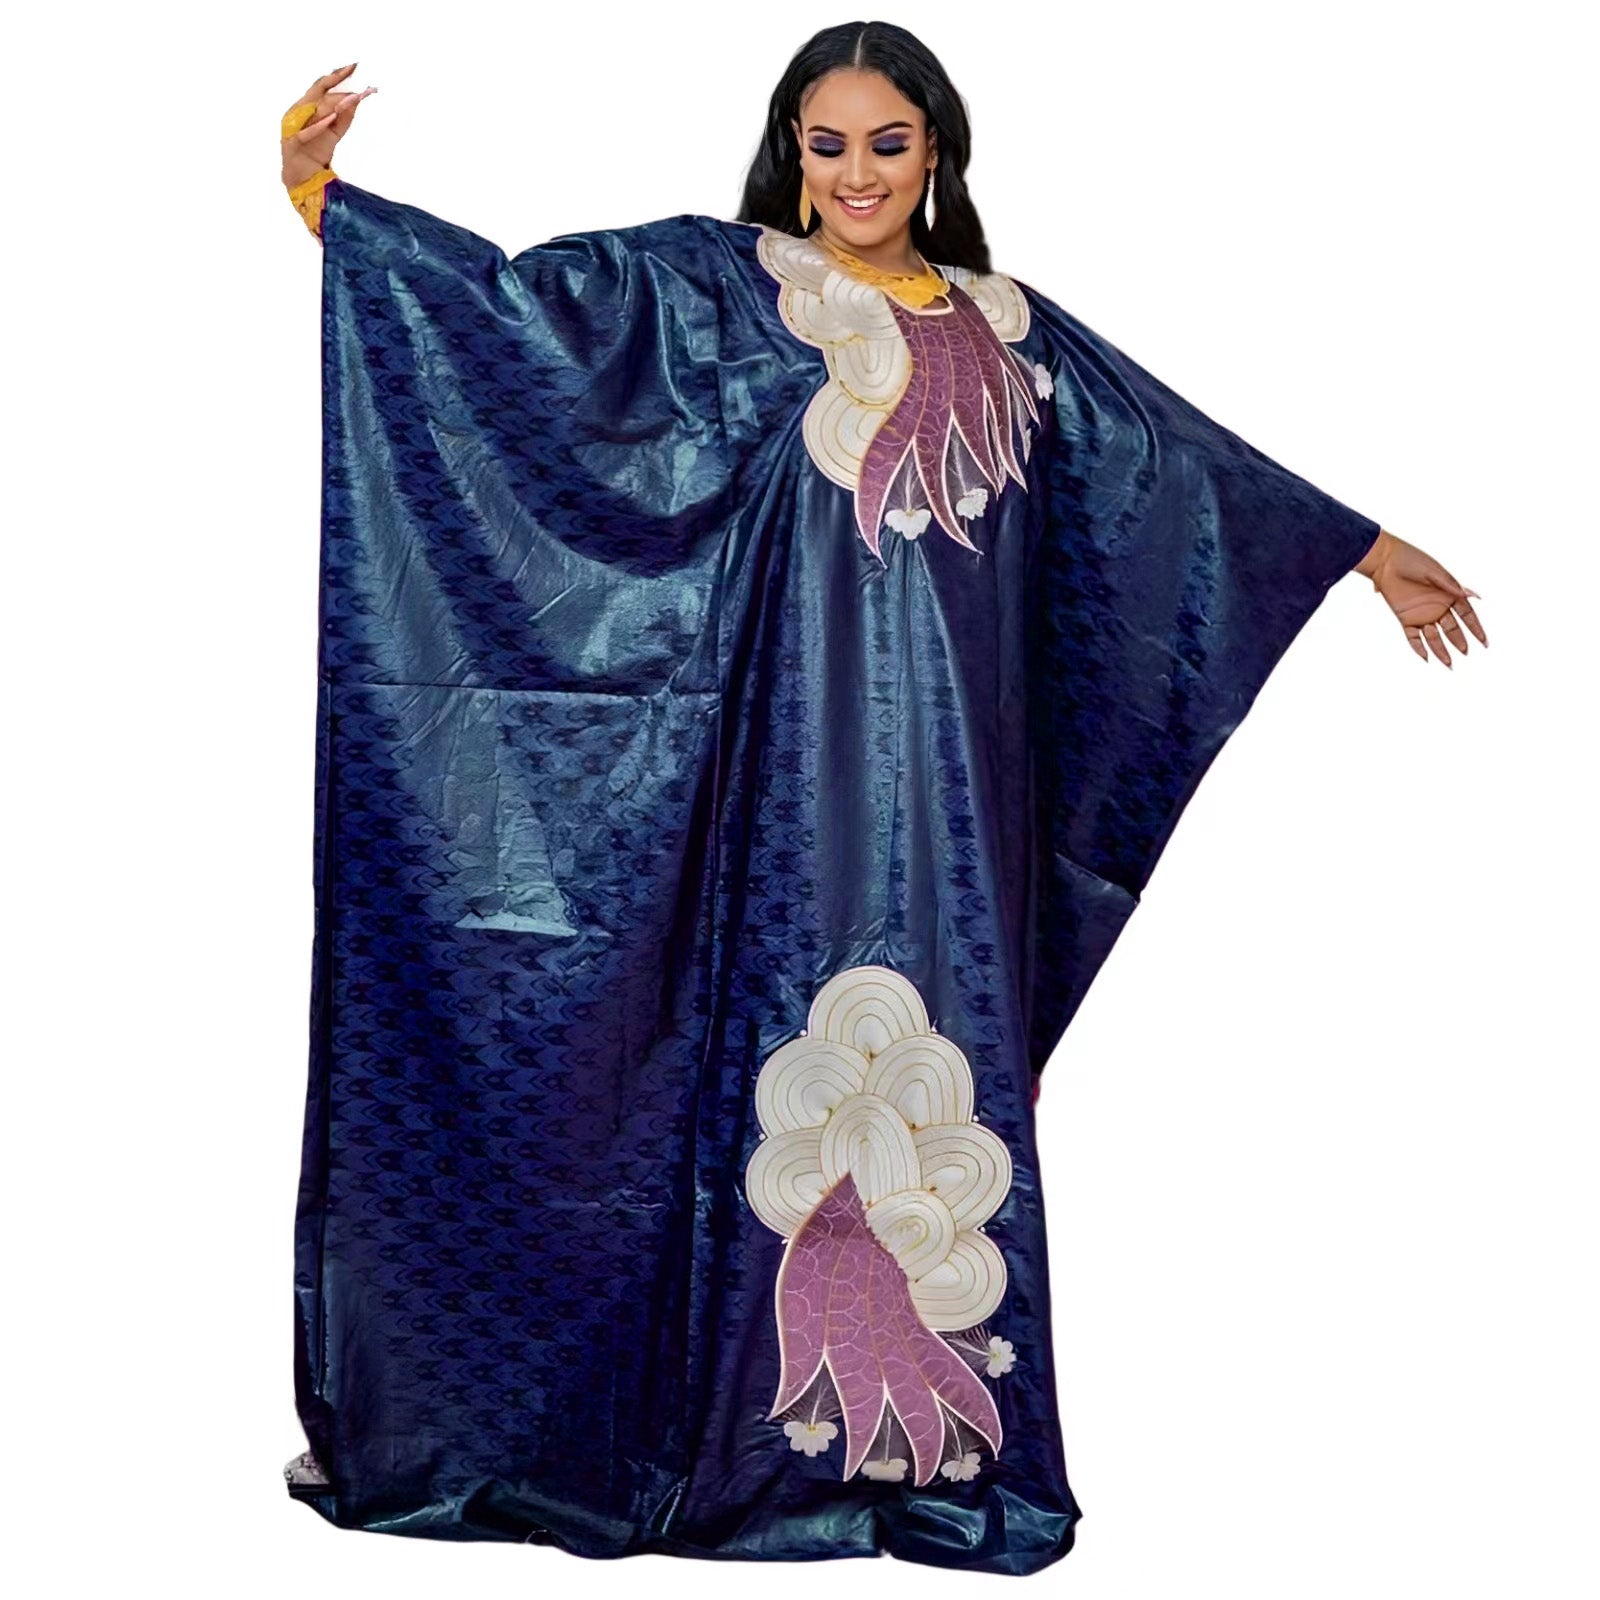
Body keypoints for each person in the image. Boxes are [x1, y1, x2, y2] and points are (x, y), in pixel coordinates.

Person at [276, 23, 1487, 1577]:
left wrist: (1362, 550)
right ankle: (724, 1436)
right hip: (781, 786)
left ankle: (920, 1447)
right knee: (763, 1078)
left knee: (929, 1092)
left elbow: (1177, 472)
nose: (857, 174)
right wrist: (337, 213)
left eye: (889, 143)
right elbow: (523, 326)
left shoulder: (1014, 333)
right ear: (795, 154)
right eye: (829, 143)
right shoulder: (726, 297)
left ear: (938, 155)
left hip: (956, 800)